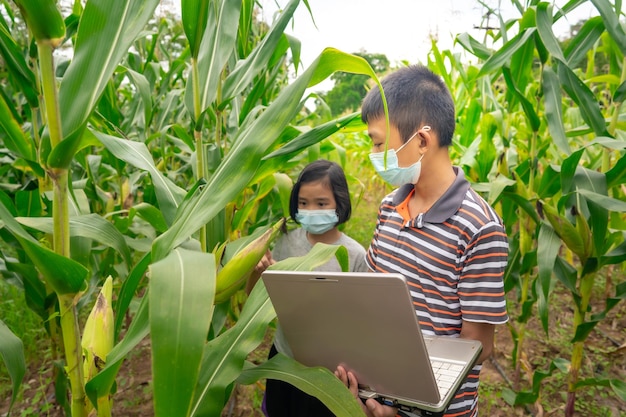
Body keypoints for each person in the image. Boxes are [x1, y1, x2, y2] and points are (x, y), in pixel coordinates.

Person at [336, 65, 509, 417]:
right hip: (378, 397)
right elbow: (371, 297)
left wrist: (406, 409)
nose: (374, 152)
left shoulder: (479, 227)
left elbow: (477, 344)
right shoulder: (389, 207)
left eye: (379, 142)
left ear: (422, 141)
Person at [248, 159, 369, 417]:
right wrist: (257, 274)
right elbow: (256, 300)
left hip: (328, 371)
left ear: (340, 203)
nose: (311, 210)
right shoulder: (286, 243)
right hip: (284, 359)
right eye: (303, 203)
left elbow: (359, 322)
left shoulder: (355, 255)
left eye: (321, 203)